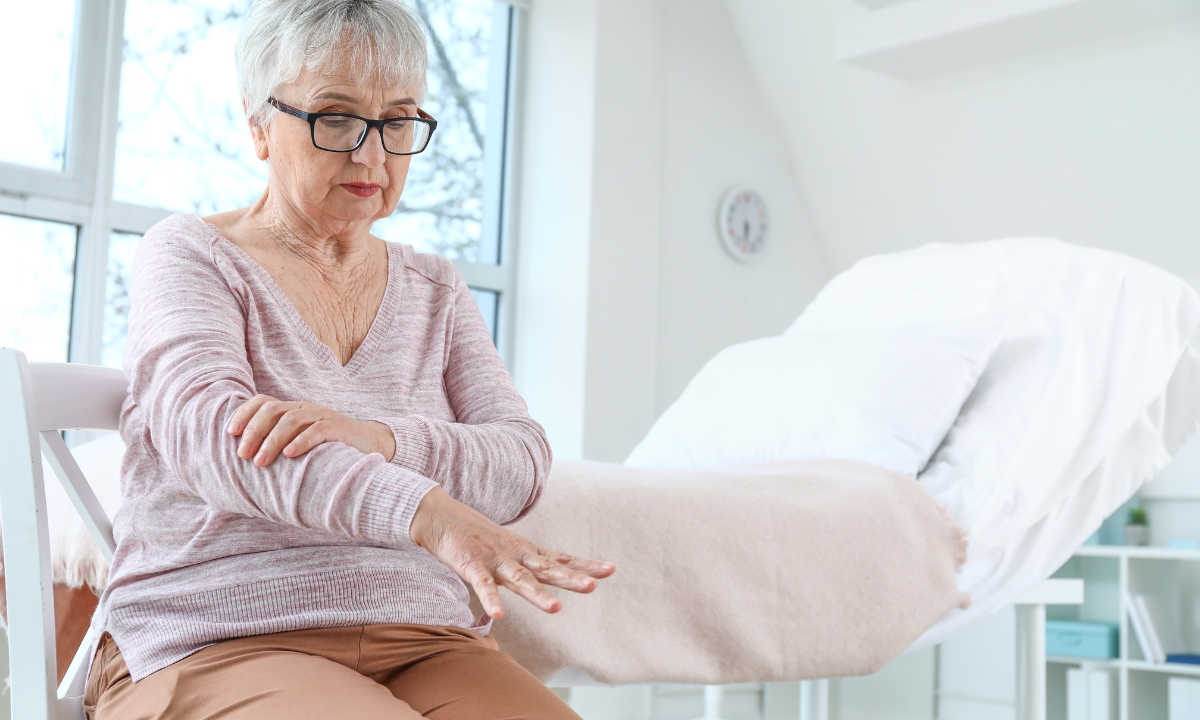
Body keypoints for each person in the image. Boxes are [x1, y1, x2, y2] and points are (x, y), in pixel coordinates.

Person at [83, 1, 614, 717]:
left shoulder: (436, 288)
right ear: (258, 123)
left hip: (426, 635)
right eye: (336, 117)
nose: (373, 156)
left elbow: (519, 458)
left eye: (398, 121)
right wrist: (424, 510)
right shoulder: (190, 254)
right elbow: (215, 437)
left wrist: (382, 440)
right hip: (217, 633)